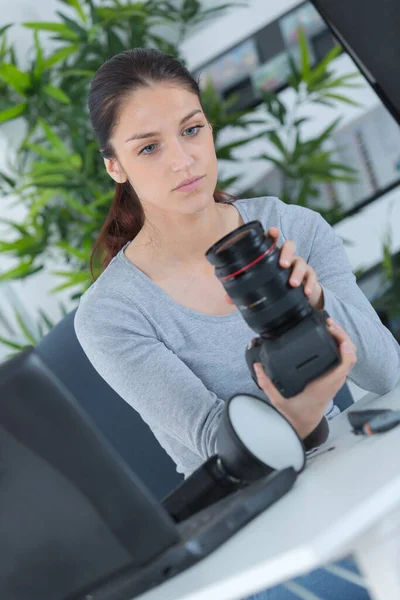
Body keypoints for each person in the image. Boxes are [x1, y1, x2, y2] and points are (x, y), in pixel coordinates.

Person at [74, 48, 400, 599]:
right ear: (116, 166)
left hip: (351, 477)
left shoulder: (291, 227)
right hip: (249, 530)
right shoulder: (112, 314)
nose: (183, 160)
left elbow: (388, 373)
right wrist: (304, 407)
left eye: (192, 130)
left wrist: (318, 303)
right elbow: (218, 450)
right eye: (149, 147)